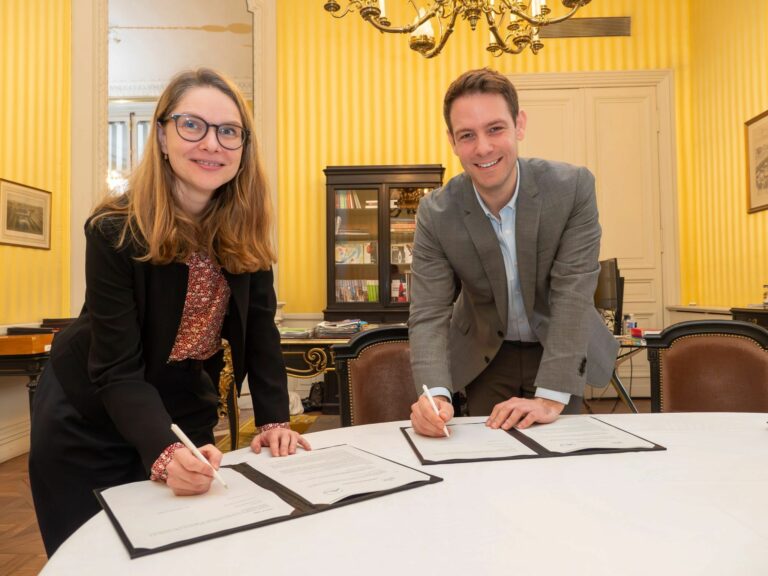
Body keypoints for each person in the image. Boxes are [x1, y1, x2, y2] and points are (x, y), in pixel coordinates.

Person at [28, 68, 310, 556]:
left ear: (243, 149)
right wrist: (162, 450)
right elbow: (116, 368)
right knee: (98, 557)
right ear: (161, 135)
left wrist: (273, 422)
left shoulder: (246, 232)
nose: (211, 144)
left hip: (182, 409)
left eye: (228, 131)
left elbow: (261, 333)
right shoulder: (112, 229)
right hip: (88, 417)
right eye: (191, 125)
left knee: (191, 551)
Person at [408, 68, 619, 437]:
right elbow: (428, 311)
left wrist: (550, 398)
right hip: (485, 352)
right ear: (452, 141)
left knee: (559, 456)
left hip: (558, 342)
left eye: (495, 129)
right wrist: (434, 394)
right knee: (487, 459)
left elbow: (572, 293)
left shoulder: (572, 189)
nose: (483, 148)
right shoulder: (435, 212)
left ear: (519, 125)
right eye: (467, 135)